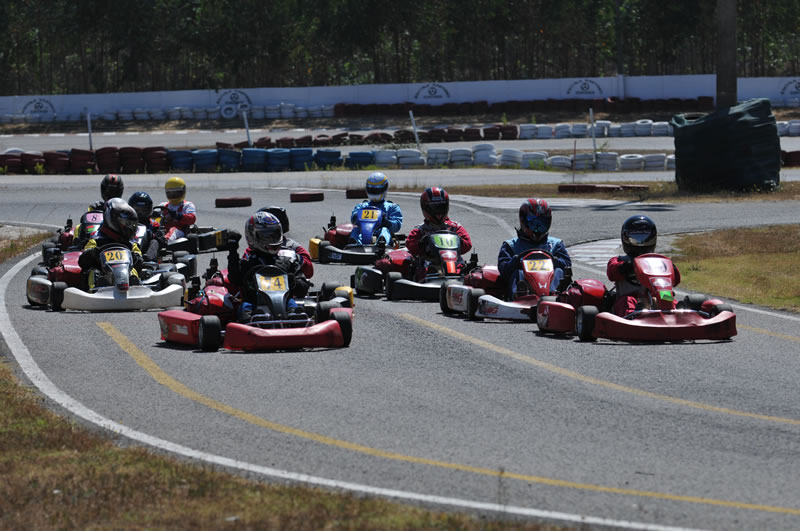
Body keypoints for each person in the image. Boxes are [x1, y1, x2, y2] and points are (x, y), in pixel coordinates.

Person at [226, 211, 311, 322]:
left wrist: (293, 281)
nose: (272, 239)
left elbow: (303, 288)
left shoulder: (286, 260)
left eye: (274, 235)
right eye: (267, 236)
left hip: (285, 303)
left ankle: (295, 321)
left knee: (293, 305)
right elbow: (234, 278)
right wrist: (232, 251)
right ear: (252, 236)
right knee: (245, 308)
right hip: (254, 304)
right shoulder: (249, 261)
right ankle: (253, 324)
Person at [606, 214, 681, 316]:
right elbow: (612, 273)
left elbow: (675, 281)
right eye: (636, 238)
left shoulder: (658, 261)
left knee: (668, 296)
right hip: (632, 298)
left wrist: (672, 269)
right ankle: (633, 318)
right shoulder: (619, 260)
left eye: (644, 238)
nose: (640, 242)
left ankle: (680, 314)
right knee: (627, 301)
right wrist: (624, 267)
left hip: (657, 296)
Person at [497, 198, 571, 299]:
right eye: (533, 224)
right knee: (518, 272)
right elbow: (504, 271)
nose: (537, 229)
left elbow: (567, 267)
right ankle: (519, 296)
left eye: (542, 224)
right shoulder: (511, 246)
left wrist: (554, 261)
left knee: (559, 271)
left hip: (550, 287)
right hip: (525, 288)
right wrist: (516, 261)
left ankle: (555, 295)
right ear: (523, 221)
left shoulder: (556, 244)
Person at [404, 187, 472, 280]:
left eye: (441, 207)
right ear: (425, 208)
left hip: (453, 261)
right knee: (423, 269)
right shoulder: (421, 229)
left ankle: (458, 277)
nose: (438, 212)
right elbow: (410, 243)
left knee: (465, 270)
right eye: (434, 208)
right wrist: (422, 243)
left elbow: (468, 244)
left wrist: (459, 241)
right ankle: (429, 279)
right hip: (430, 261)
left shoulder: (455, 227)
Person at [78, 198, 143, 289]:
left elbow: (140, 263)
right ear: (112, 220)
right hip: (104, 275)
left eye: (131, 224)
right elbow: (82, 261)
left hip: (125, 276)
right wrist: (94, 253)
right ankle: (95, 289)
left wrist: (134, 257)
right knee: (94, 272)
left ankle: (134, 287)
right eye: (126, 223)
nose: (129, 228)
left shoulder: (131, 244)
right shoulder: (96, 241)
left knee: (133, 271)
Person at [242, 206, 314, 279]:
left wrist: (295, 259)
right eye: (267, 235)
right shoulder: (252, 252)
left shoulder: (292, 245)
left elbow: (309, 271)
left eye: (274, 233)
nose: (272, 238)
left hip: (288, 283)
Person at [349, 172, 403, 246]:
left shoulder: (392, 207)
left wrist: (387, 223)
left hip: (381, 233)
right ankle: (355, 244)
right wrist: (356, 217)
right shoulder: (362, 206)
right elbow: (353, 218)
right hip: (364, 232)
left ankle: (382, 243)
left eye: (377, 190)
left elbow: (397, 224)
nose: (374, 192)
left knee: (384, 230)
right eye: (372, 190)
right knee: (356, 230)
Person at [128, 191, 163, 261]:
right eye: (137, 210)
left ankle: (147, 260)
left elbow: (163, 241)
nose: (139, 213)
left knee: (154, 242)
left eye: (143, 210)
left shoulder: (154, 224)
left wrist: (152, 235)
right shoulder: (126, 222)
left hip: (145, 252)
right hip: (128, 248)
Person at [160, 176, 196, 242]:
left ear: (183, 191)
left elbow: (192, 219)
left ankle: (165, 241)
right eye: (170, 193)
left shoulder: (187, 205)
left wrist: (178, 216)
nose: (173, 196)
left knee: (173, 230)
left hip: (181, 230)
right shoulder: (163, 205)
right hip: (163, 230)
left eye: (176, 193)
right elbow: (154, 219)